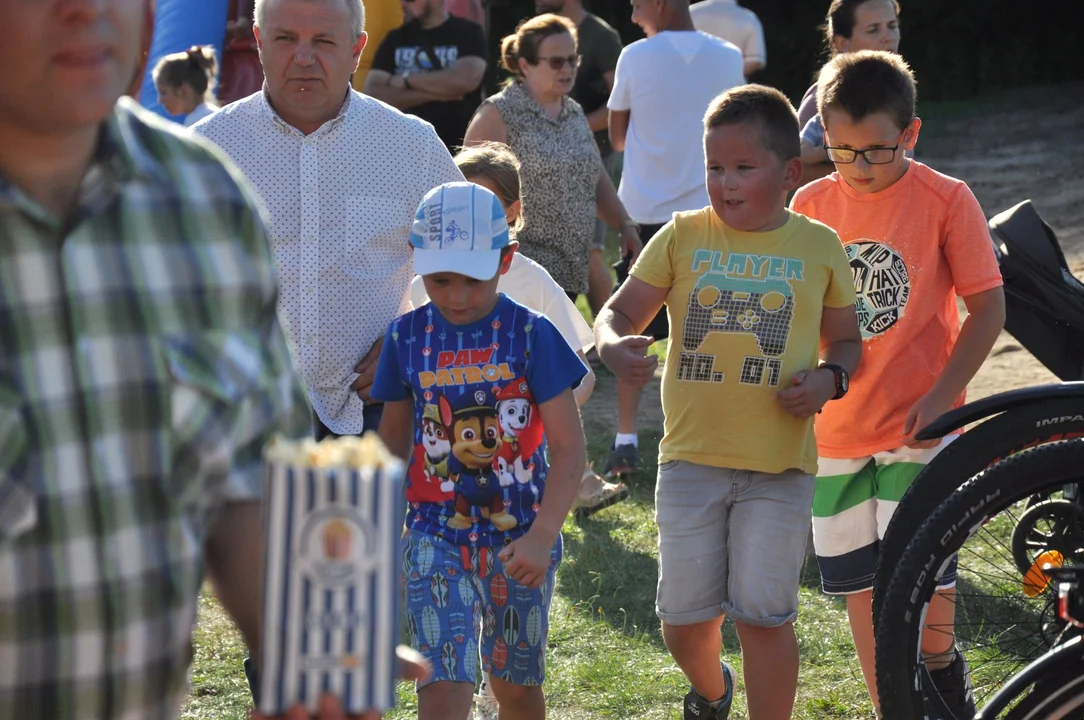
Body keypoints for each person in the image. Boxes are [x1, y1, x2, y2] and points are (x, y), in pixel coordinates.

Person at [0, 0, 422, 719]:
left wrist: (305, 646)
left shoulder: (202, 195)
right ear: (257, 43)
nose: (84, 11)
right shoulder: (228, 151)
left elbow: (242, 470)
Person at [596, 84, 862, 720]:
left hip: (781, 469)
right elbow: (619, 311)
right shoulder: (683, 236)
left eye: (745, 168)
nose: (726, 182)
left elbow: (847, 343)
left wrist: (830, 380)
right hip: (690, 461)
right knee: (683, 621)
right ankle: (713, 692)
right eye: (715, 167)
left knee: (763, 618)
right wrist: (611, 345)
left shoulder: (818, 246)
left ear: (790, 172)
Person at [790, 50, 1006, 718]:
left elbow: (988, 308)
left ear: (910, 134)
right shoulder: (809, 202)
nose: (857, 166)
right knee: (862, 586)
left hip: (920, 426)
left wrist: (943, 398)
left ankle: (940, 672)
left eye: (875, 151)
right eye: (840, 149)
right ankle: (892, 699)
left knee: (926, 578)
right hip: (835, 433)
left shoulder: (947, 199)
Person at [191, 0, 463, 442]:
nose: (303, 57)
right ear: (259, 42)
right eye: (284, 39)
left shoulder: (412, 146)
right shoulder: (204, 153)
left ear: (356, 49)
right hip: (241, 417)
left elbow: (470, 262)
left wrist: (420, 338)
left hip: (375, 409)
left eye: (323, 41)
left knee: (371, 515)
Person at [374, 181, 588, 720]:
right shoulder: (405, 339)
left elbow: (568, 449)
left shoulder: (533, 335)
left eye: (474, 278)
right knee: (441, 684)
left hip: (520, 541)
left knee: (514, 688)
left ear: (506, 258)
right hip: (432, 536)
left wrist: (542, 537)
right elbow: (392, 445)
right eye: (440, 279)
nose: (457, 295)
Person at [603, 0, 745, 480]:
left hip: (645, 210)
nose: (632, 11)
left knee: (634, 330)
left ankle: (625, 439)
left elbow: (618, 137)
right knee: (719, 330)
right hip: (713, 210)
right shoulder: (729, 55)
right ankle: (719, 436)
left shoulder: (635, 56)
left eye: (637, 2)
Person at [464, 14, 642, 310]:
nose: (568, 69)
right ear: (525, 65)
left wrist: (625, 224)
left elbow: (595, 177)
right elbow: (466, 187)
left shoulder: (573, 112)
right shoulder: (499, 113)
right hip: (516, 272)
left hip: (569, 271)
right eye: (557, 61)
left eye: (573, 60)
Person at [535, 0, 625, 318]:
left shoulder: (601, 36)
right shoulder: (540, 28)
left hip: (593, 155)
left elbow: (619, 103)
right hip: (549, 163)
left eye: (570, 60)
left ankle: (608, 335)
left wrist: (568, 127)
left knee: (590, 251)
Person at [796, 0, 901, 187]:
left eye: (892, 26)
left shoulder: (898, 89)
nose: (888, 37)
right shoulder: (823, 97)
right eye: (873, 29)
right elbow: (794, 170)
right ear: (843, 43)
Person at [364, 0, 487, 151]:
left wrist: (405, 80)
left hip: (458, 152)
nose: (403, 4)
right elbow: (374, 95)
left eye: (410, 0)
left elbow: (467, 80)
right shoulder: (395, 39)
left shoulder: (468, 32)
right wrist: (442, 93)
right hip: (404, 150)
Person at [689, 0, 767, 78]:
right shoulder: (749, 18)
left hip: (692, 81)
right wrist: (728, 77)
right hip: (733, 86)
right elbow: (755, 60)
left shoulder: (690, 13)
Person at [153, 44, 220, 126]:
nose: (160, 100)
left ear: (182, 90)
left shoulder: (196, 122)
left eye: (163, 92)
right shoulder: (212, 114)